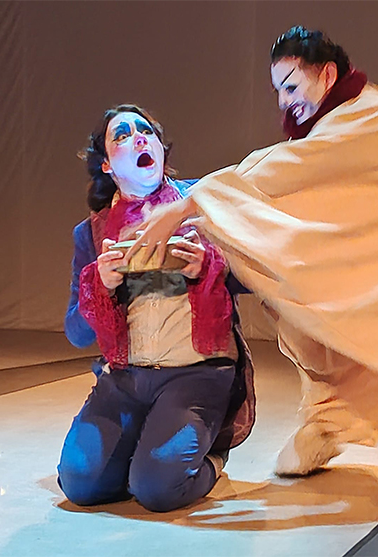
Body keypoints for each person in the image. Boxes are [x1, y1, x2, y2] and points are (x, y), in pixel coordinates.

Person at [129, 27, 378, 512]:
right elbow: (292, 172)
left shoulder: (370, 117)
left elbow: (286, 166)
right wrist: (204, 209)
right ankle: (330, 421)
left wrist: (190, 203)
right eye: (278, 90)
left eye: (292, 86)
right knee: (308, 302)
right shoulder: (333, 124)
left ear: (328, 74)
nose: (284, 101)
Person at [57, 104, 255, 512]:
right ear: (108, 165)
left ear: (161, 149)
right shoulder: (92, 233)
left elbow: (256, 276)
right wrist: (101, 283)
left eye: (145, 131)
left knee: (157, 490)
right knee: (79, 483)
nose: (138, 138)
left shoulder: (199, 204)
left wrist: (211, 266)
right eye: (122, 136)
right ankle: (143, 452)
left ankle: (211, 458)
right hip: (126, 380)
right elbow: (76, 333)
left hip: (195, 374)